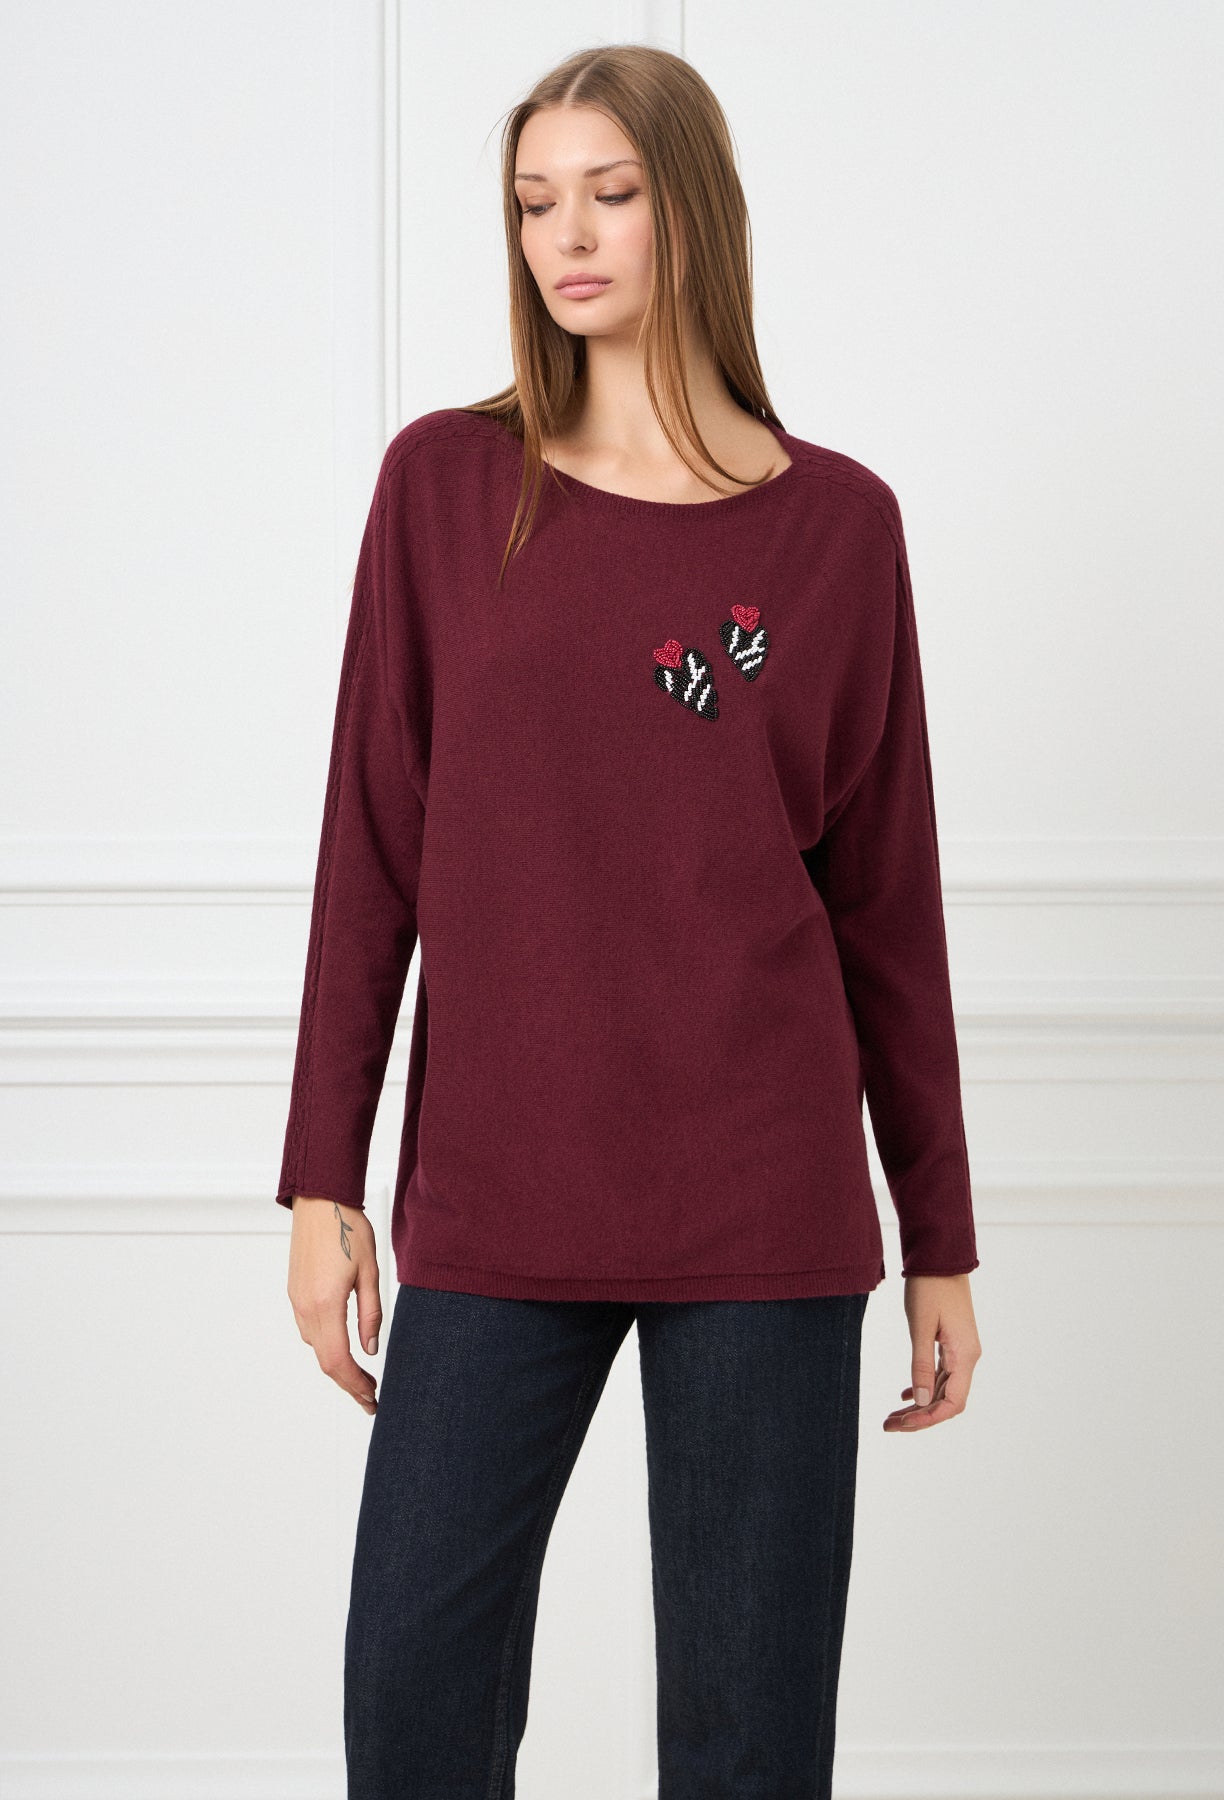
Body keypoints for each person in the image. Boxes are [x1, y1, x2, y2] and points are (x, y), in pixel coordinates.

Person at [276, 41, 983, 1800]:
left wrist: (942, 1237)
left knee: (749, 1744)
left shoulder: (839, 529)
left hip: (763, 1198)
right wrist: (321, 1176)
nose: (566, 238)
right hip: (497, 1186)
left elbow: (887, 908)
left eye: (609, 194)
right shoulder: (446, 488)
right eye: (535, 204)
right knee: (414, 1697)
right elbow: (372, 842)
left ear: (696, 213)